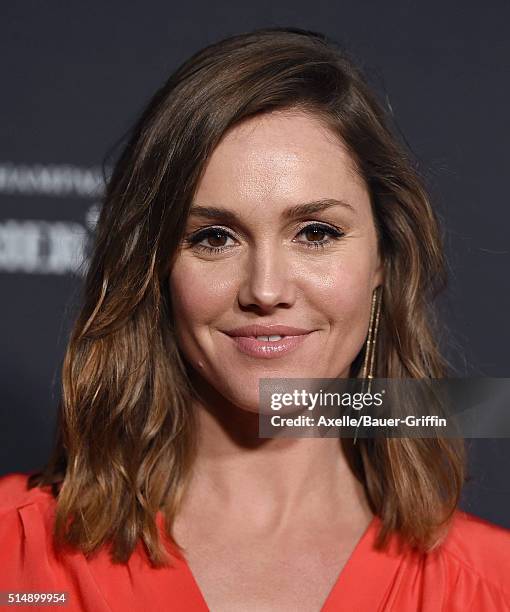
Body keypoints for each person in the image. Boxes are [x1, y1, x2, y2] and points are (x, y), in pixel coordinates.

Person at [1, 26, 509, 612]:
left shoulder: (491, 587)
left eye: (316, 233)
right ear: (155, 269)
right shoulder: (13, 555)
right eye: (214, 238)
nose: (265, 289)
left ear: (382, 261)